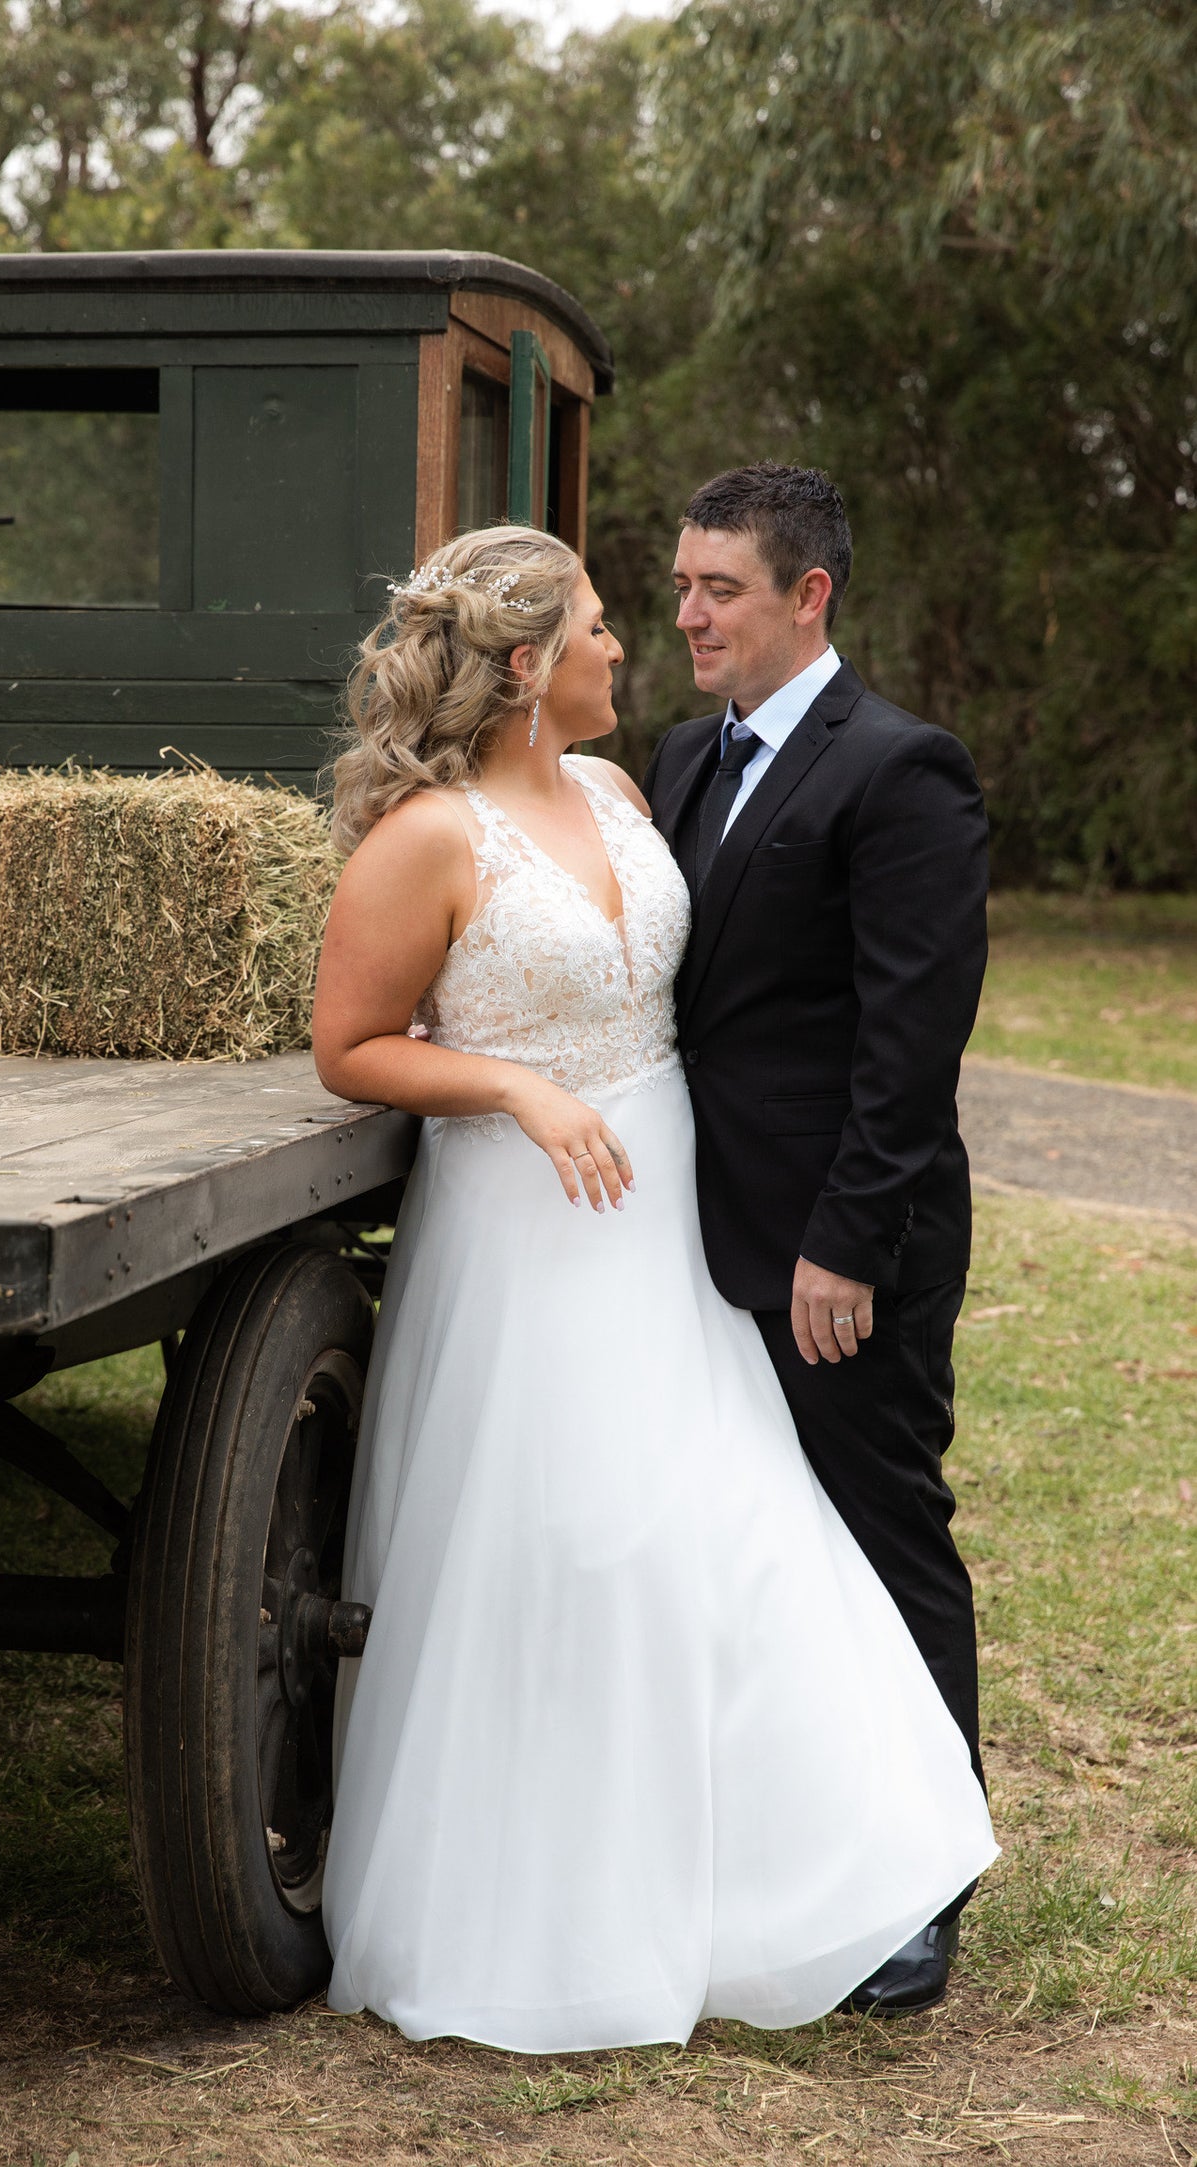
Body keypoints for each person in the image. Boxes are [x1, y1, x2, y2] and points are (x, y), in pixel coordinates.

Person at [312, 523, 994, 2054]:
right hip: (530, 1225)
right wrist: (515, 1090)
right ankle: (548, 1898)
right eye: (607, 623)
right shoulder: (429, 838)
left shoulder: (630, 792)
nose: (635, 641)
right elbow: (349, 1043)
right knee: (571, 1544)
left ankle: (836, 1866)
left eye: (680, 600)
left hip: (674, 1228)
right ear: (522, 662)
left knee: (743, 1526)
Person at [644, 462, 991, 2015]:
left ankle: (923, 1886)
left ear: (808, 597)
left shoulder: (899, 772)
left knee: (877, 1533)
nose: (686, 612)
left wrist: (845, 1245)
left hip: (843, 1245)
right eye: (678, 583)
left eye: (720, 587)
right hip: (693, 1235)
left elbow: (908, 1046)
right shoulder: (676, 757)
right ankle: (791, 1844)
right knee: (758, 1551)